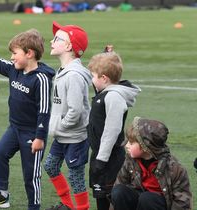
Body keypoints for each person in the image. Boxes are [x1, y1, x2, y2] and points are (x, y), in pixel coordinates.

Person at [0, 26, 55, 210]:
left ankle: (33, 206)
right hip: (14, 128)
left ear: (29, 53)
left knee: (31, 175)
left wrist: (39, 137)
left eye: (15, 53)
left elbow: (44, 110)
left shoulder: (41, 79)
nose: (12, 57)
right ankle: (2, 195)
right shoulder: (14, 69)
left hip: (32, 134)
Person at [43, 22, 91, 210]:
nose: (52, 41)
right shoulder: (63, 71)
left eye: (57, 39)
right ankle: (67, 205)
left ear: (69, 46)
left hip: (74, 137)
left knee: (75, 176)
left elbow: (75, 111)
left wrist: (60, 126)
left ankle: (81, 208)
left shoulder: (73, 76)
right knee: (50, 166)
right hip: (62, 135)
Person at [87, 51, 140, 210]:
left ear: (104, 78)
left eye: (93, 76)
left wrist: (101, 159)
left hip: (109, 157)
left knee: (110, 197)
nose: (91, 80)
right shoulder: (105, 92)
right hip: (100, 153)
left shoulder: (113, 97)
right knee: (100, 194)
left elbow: (112, 129)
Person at [111, 116, 192, 210]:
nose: (126, 145)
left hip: (155, 204)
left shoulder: (174, 169)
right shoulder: (130, 161)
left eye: (131, 143)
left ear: (146, 146)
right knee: (119, 191)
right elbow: (119, 184)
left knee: (147, 198)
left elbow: (182, 203)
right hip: (139, 202)